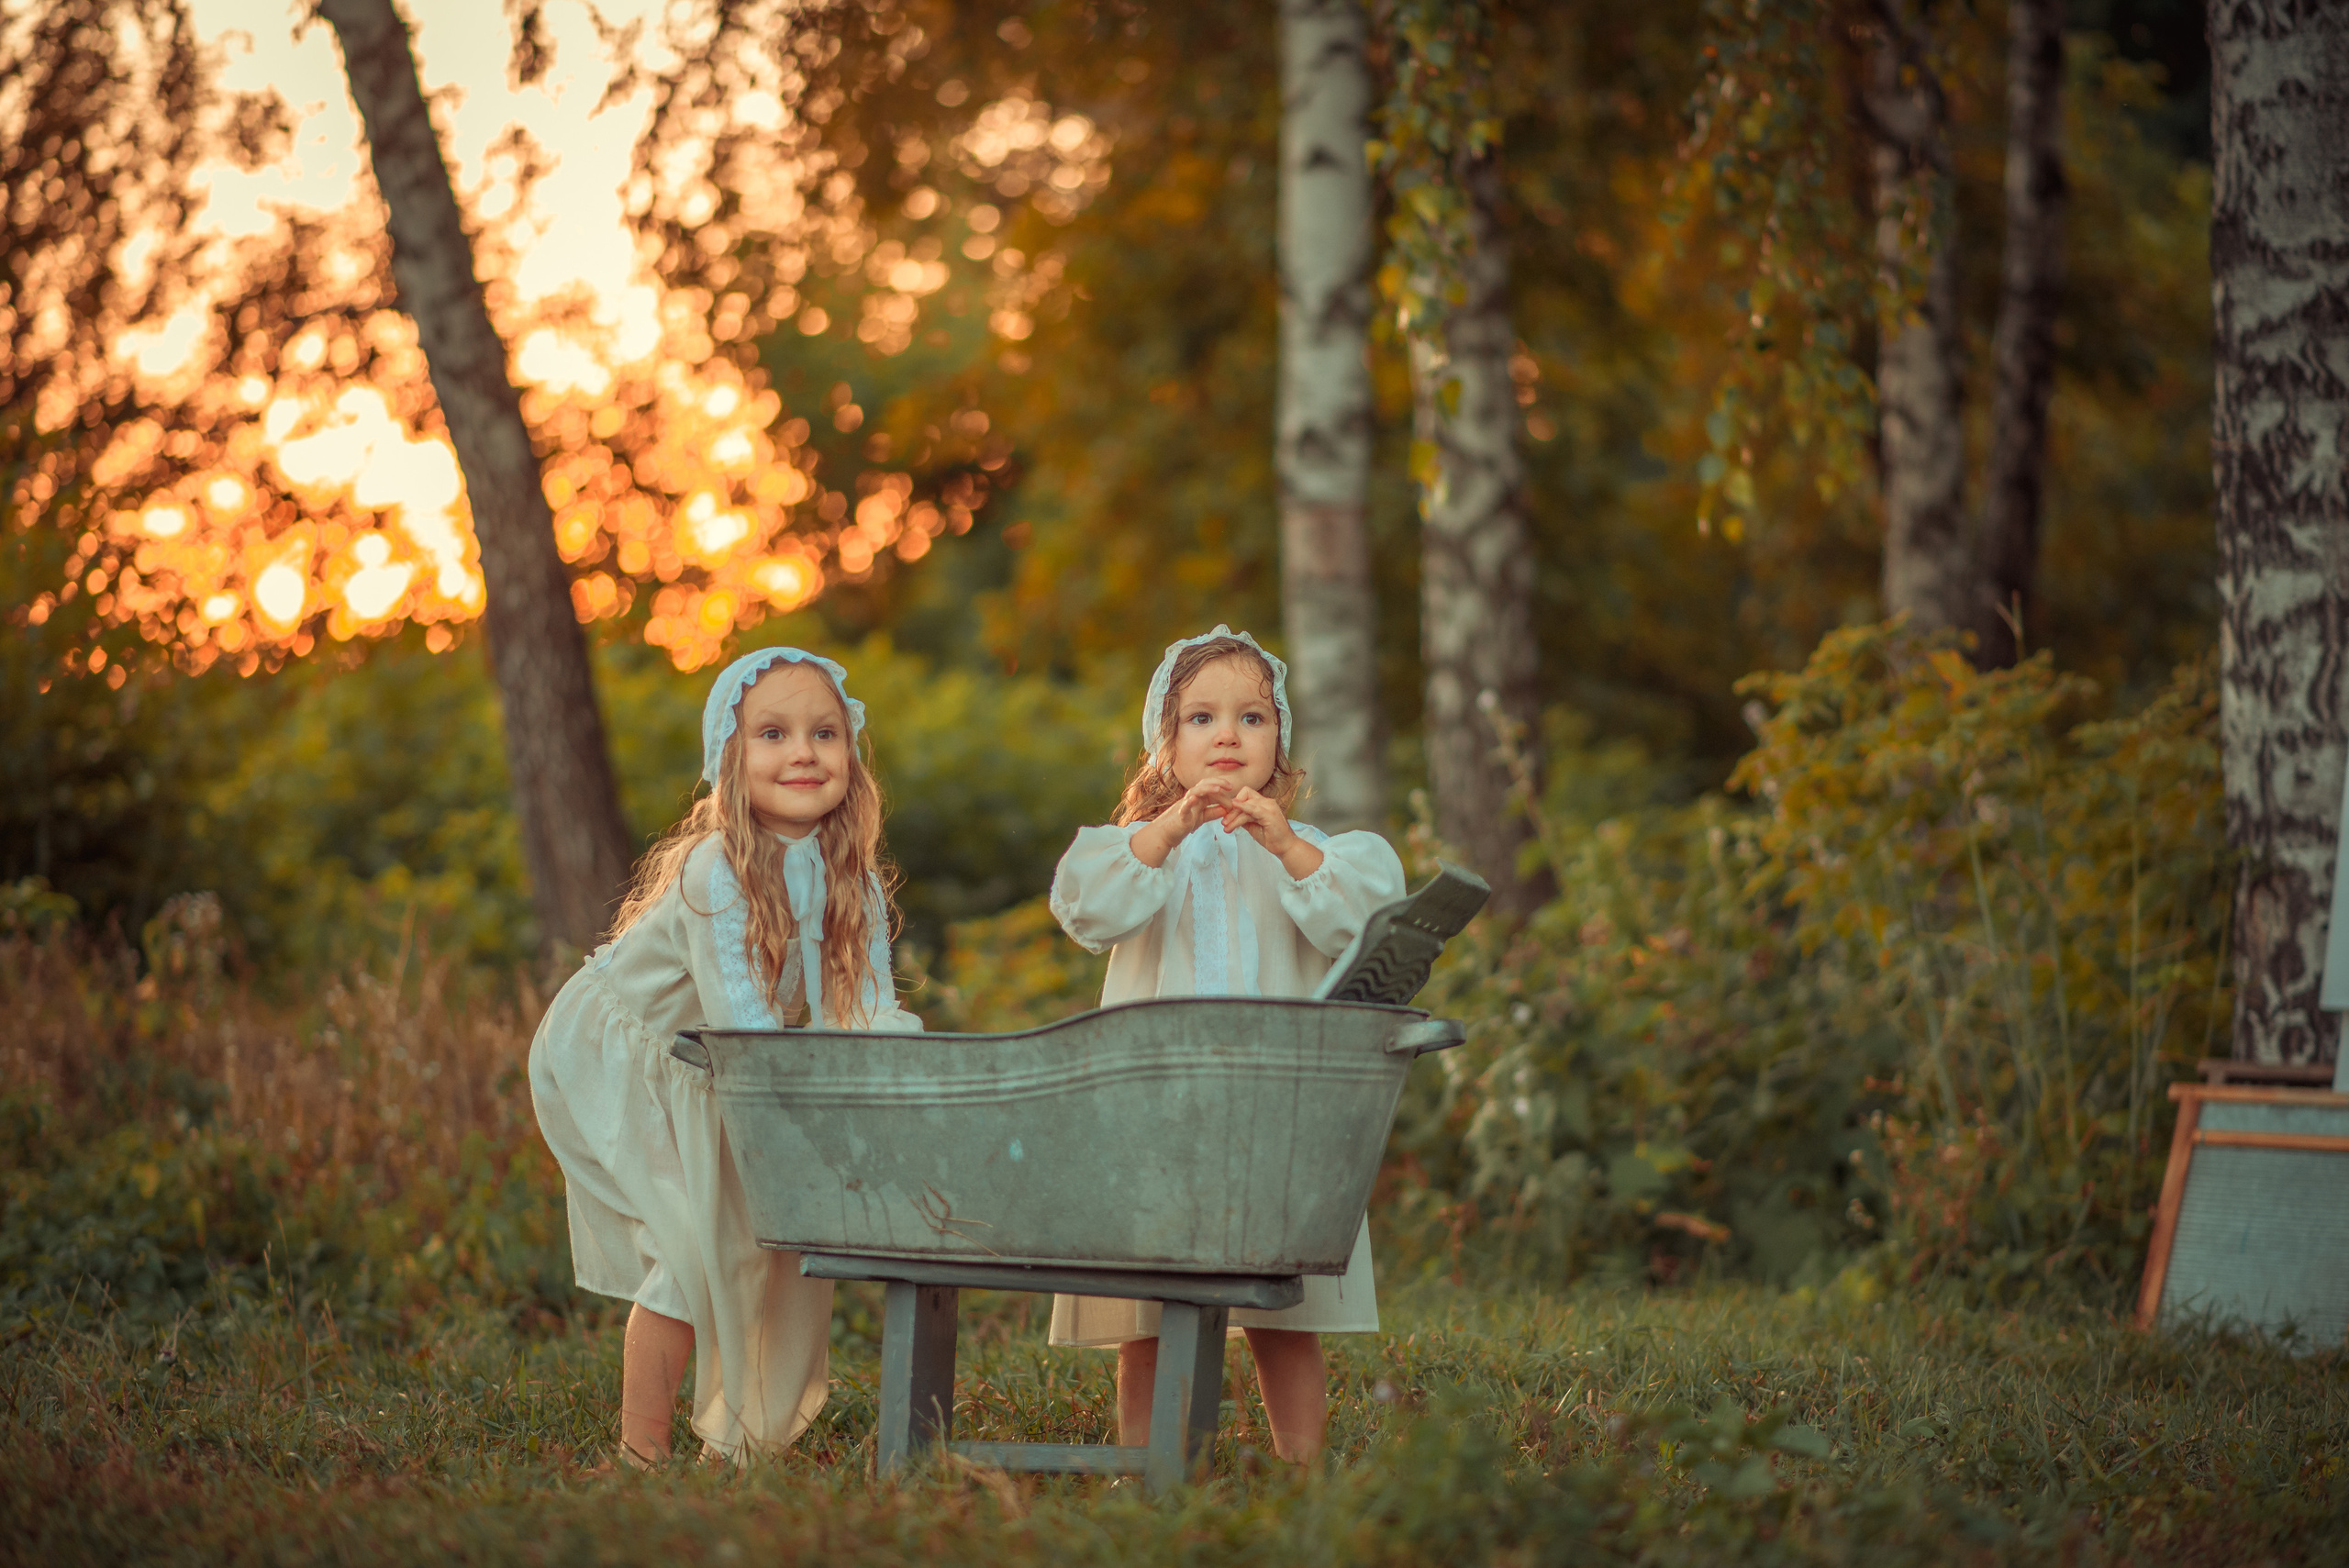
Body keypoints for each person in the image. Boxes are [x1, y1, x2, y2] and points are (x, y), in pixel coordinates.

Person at [529, 647, 922, 1466]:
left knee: (757, 1242)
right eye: (773, 733)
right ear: (729, 759)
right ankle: (641, 1456)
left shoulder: (853, 880)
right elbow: (743, 1022)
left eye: (825, 732)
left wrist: (887, 1085)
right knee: (689, 1249)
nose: (803, 752)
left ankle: (739, 1439)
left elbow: (868, 1010)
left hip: (717, 1067)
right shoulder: (719, 872)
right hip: (622, 1057)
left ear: (851, 754)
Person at [1045, 626, 1407, 1462]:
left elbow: (1363, 917)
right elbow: (1086, 907)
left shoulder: (1308, 851)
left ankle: (1302, 1464)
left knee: (1282, 1308)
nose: (1227, 735)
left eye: (1251, 717)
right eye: (1202, 717)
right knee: (1150, 1310)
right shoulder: (1137, 851)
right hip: (1155, 1115)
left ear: (1278, 738)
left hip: (1272, 1114)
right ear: (1165, 743)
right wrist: (1169, 829)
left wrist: (1282, 842)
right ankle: (1149, 1463)